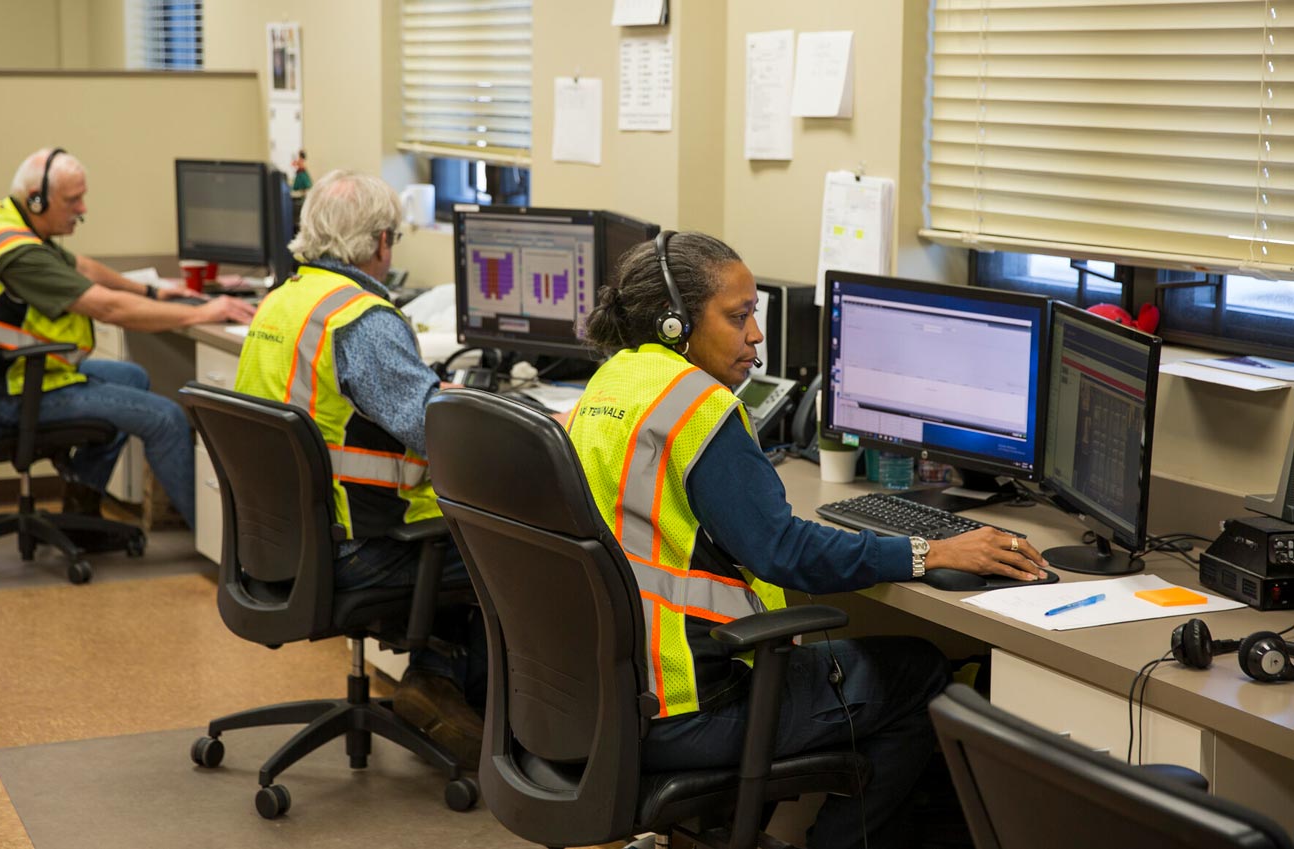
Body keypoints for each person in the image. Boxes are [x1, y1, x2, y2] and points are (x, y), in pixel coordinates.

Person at [566, 231, 1050, 849]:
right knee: (920, 672)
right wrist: (932, 551)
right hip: (691, 703)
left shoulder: (614, 382)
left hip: (618, 689)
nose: (756, 336)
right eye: (738, 317)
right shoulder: (696, 408)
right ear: (674, 323)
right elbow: (784, 551)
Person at [233, 170, 484, 767]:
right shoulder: (361, 321)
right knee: (508, 549)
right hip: (353, 548)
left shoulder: (283, 301)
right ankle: (448, 688)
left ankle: (435, 683)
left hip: (280, 541)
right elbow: (434, 430)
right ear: (379, 242)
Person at [0, 148, 257, 528]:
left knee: (135, 377)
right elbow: (108, 310)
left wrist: (152, 292)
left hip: (5, 374)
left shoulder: (2, 220)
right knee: (166, 418)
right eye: (72, 200)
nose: (83, 209)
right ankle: (221, 541)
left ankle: (80, 506)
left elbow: (81, 267)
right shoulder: (21, 255)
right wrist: (203, 313)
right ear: (37, 201)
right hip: (6, 395)